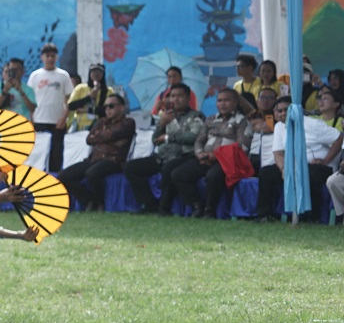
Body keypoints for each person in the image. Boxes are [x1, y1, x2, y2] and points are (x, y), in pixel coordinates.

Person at [259, 86, 342, 221]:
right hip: (292, 166)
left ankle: (311, 217)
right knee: (266, 173)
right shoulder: (279, 126)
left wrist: (326, 160)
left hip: (320, 166)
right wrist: (283, 169)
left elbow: (339, 138)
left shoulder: (312, 124)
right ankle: (265, 215)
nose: (283, 113)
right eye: (279, 110)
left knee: (308, 173)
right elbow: (278, 153)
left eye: (286, 109)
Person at [123, 84, 204, 214]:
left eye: (180, 96)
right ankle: (149, 204)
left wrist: (168, 137)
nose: (175, 99)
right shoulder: (167, 116)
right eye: (173, 96)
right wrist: (162, 124)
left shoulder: (195, 116)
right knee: (131, 167)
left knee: (168, 168)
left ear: (188, 99)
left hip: (184, 155)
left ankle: (164, 208)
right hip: (163, 156)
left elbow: (193, 137)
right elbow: (155, 140)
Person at [174, 88, 251, 217]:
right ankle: (197, 205)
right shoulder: (210, 119)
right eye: (219, 100)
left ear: (235, 102)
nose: (222, 104)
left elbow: (242, 147)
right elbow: (199, 141)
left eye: (227, 100)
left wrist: (216, 156)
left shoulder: (242, 121)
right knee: (178, 174)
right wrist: (200, 154)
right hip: (205, 158)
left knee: (213, 176)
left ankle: (210, 210)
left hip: (227, 161)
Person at [61, 93, 133, 210]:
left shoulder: (128, 122)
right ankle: (89, 200)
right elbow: (89, 139)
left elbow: (111, 134)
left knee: (92, 173)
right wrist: (110, 139)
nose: (107, 109)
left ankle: (100, 204)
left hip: (113, 160)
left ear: (121, 107)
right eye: (105, 107)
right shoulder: (101, 122)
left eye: (111, 106)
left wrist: (100, 136)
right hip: (94, 158)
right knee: (64, 175)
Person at [28, 43, 74, 173]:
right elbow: (30, 99)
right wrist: (31, 119)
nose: (50, 58)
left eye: (53, 56)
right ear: (42, 57)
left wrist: (64, 118)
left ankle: (55, 178)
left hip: (57, 121)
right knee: (40, 153)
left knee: (56, 154)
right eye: (47, 56)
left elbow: (69, 99)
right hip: (39, 120)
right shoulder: (35, 76)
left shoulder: (63, 75)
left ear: (56, 57)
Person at [65, 63, 110, 132]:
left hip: (99, 126)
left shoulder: (108, 91)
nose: (96, 74)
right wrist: (89, 97)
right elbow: (71, 106)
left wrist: (87, 110)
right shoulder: (80, 88)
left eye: (99, 72)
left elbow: (107, 110)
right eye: (93, 72)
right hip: (79, 125)